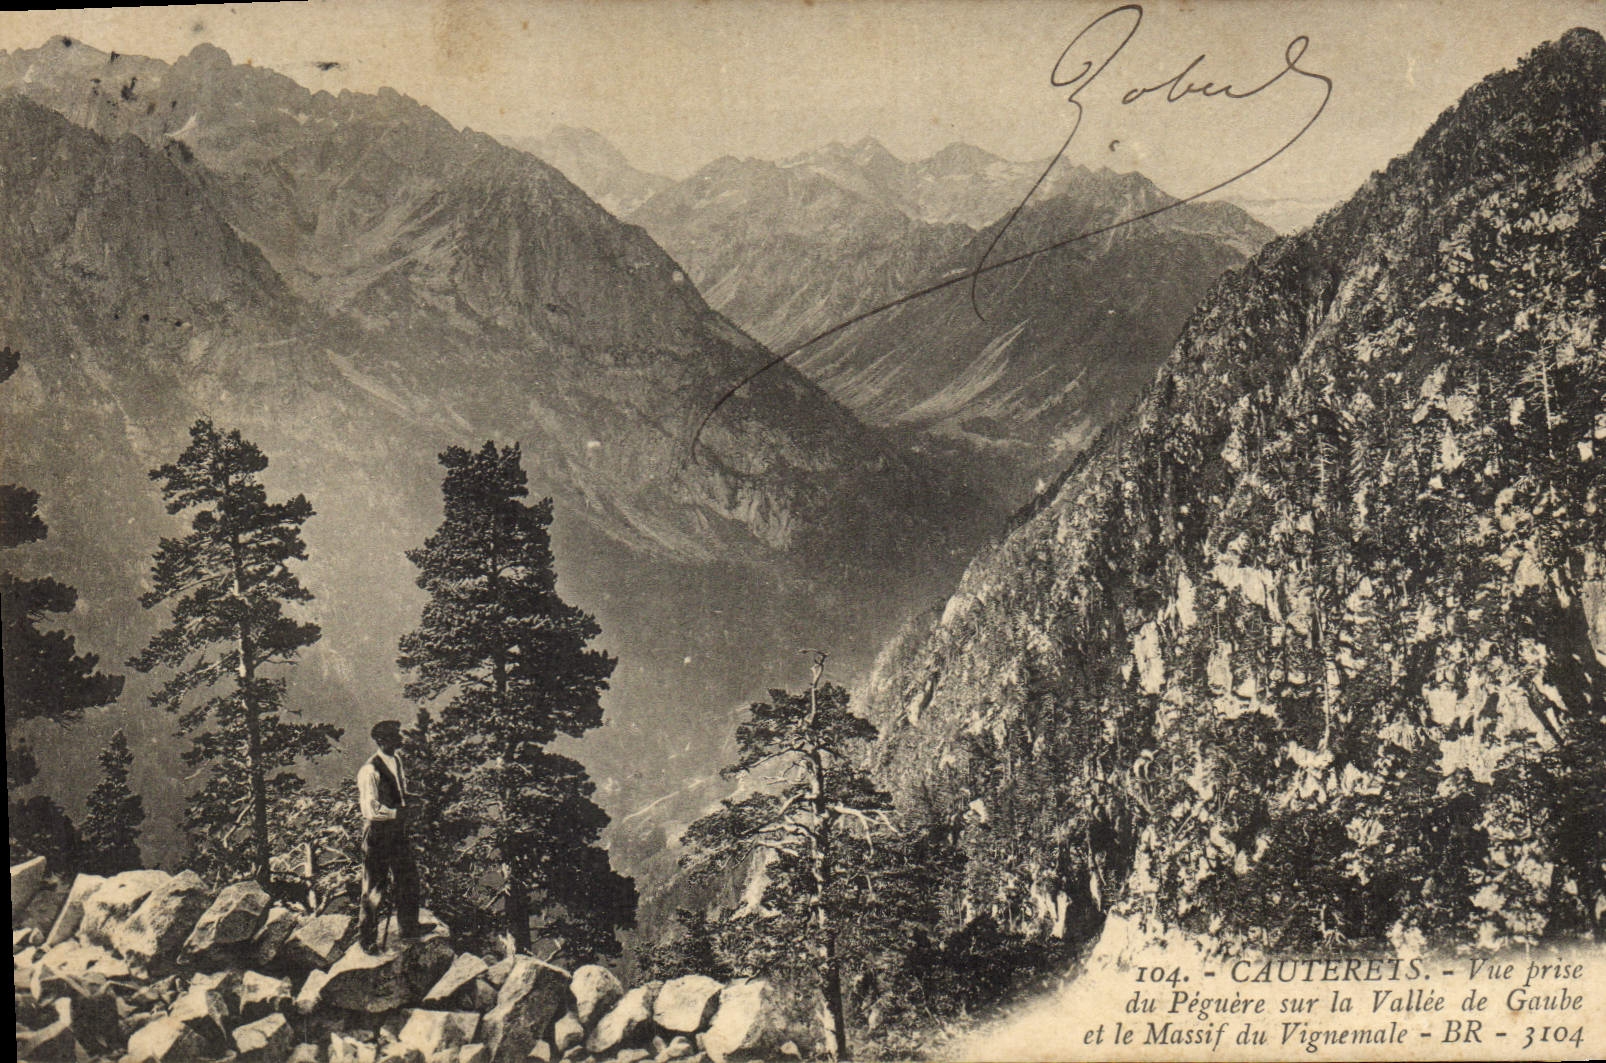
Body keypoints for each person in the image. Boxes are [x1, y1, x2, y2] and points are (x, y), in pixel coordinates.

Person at [356, 719, 421, 950]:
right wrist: (396, 813)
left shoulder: (396, 760)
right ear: (382, 741)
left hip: (396, 832)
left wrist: (411, 801)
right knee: (375, 886)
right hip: (378, 833)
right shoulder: (369, 770)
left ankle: (409, 928)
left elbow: (398, 792)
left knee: (408, 879)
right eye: (395, 737)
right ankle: (367, 939)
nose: (399, 740)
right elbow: (370, 809)